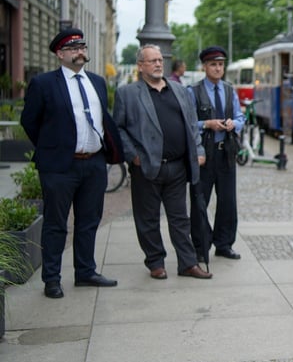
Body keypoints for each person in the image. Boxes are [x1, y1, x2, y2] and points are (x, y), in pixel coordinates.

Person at [21, 28, 123, 299]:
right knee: (56, 224)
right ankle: (52, 279)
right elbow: (29, 122)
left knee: (89, 221)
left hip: (93, 164)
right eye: (73, 47)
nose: (80, 51)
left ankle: (85, 271)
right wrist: (53, 147)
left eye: (82, 46)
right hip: (59, 167)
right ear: (60, 53)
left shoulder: (97, 82)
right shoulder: (44, 83)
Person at [112, 44, 212, 280]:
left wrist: (198, 150)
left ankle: (187, 263)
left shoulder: (179, 91)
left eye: (160, 60)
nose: (158, 64)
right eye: (152, 60)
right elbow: (118, 128)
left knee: (180, 218)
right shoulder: (127, 93)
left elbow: (191, 124)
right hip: (146, 166)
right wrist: (133, 155)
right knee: (147, 218)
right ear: (140, 66)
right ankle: (155, 261)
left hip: (177, 166)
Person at [188, 46, 246, 261]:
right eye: (213, 64)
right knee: (200, 202)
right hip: (205, 155)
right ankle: (200, 246)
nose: (217, 68)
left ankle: (224, 244)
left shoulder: (230, 90)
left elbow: (241, 117)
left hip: (226, 153)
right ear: (204, 67)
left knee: (228, 203)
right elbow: (188, 123)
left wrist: (234, 124)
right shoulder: (192, 91)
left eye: (221, 64)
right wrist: (207, 124)